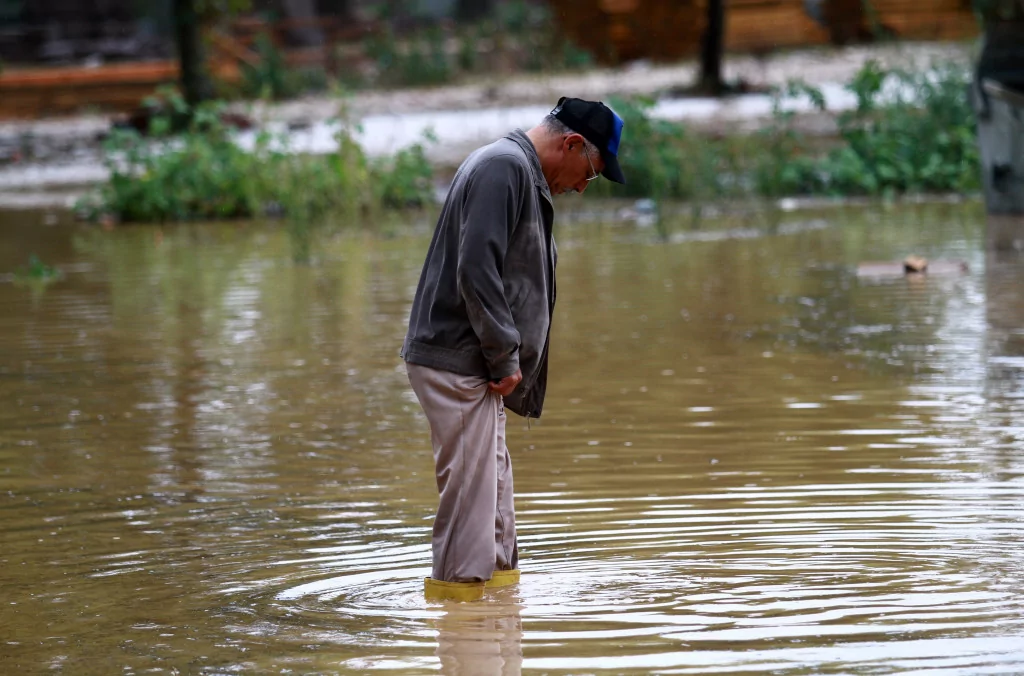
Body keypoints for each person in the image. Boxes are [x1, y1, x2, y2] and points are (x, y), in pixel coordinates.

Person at [402, 97, 626, 601]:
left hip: (476, 363)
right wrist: (504, 356)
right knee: (471, 514)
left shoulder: (516, 170)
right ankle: (460, 629)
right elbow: (476, 270)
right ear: (571, 144)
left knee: (496, 505)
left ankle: (499, 619)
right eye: (591, 171)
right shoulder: (504, 168)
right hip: (460, 359)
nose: (583, 187)